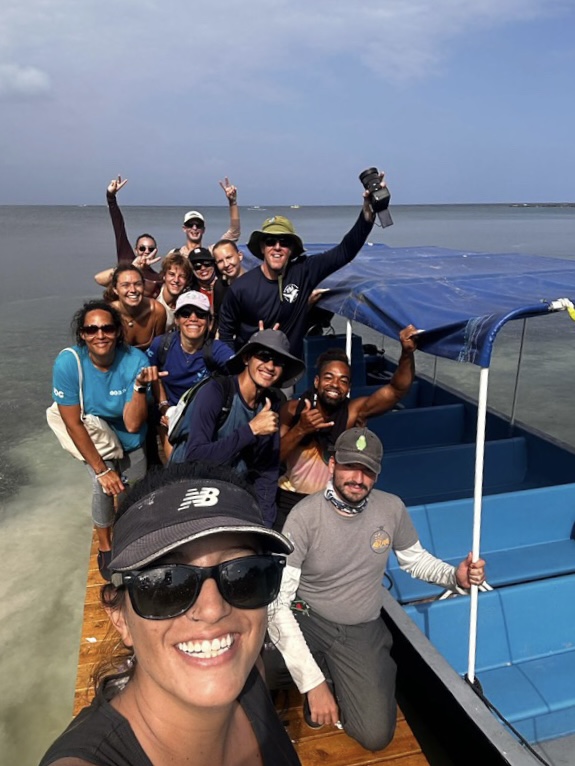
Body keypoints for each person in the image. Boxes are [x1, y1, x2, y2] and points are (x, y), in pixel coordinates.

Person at [38, 461, 301, 766]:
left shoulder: (252, 675)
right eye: (165, 584)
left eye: (243, 574)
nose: (213, 609)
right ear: (120, 617)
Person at [267, 427, 486, 752]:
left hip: (360, 627)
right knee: (261, 668)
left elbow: (415, 561)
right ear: (332, 465)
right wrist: (312, 684)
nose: (358, 477)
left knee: (374, 735)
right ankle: (322, 674)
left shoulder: (391, 508)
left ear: (377, 474)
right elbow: (277, 604)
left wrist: (456, 577)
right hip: (307, 613)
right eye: (350, 466)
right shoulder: (303, 516)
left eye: (368, 470)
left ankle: (342, 670)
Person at [218, 171, 389, 357]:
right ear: (261, 247)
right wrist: (235, 370)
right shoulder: (241, 288)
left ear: (292, 248)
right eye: (270, 242)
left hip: (288, 371)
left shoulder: (304, 272)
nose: (277, 247)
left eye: (284, 242)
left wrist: (368, 212)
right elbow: (226, 334)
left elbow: (345, 251)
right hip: (249, 371)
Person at [51, 300, 162, 580]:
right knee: (102, 488)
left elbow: (133, 423)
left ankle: (132, 534)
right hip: (95, 435)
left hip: (130, 435)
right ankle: (106, 546)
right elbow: (72, 422)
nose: (100, 335)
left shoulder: (135, 361)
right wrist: (102, 470)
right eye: (91, 329)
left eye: (107, 328)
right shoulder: (69, 363)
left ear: (118, 332)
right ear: (83, 335)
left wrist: (139, 386)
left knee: (133, 490)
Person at [276, 326, 419, 527]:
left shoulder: (353, 413)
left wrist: (406, 353)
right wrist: (301, 429)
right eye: (328, 377)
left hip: (330, 503)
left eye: (343, 381)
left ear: (348, 388)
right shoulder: (293, 410)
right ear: (316, 382)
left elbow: (396, 391)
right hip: (288, 500)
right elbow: (272, 459)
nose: (335, 384)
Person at [183, 329, 305, 527]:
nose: (270, 366)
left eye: (278, 362)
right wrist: (251, 430)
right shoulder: (216, 392)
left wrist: (264, 524)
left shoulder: (272, 402)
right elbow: (195, 457)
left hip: (236, 492)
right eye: (264, 357)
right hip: (196, 492)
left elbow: (267, 470)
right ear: (247, 358)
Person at [146, 291, 234, 457]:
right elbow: (152, 375)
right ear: (177, 320)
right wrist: (164, 407)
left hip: (203, 415)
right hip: (169, 413)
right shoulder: (161, 345)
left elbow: (239, 370)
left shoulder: (216, 349)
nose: (193, 318)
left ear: (209, 322)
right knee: (175, 466)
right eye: (186, 314)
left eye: (200, 314)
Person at [94, 176, 163, 298]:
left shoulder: (157, 278)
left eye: (150, 249)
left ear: (155, 252)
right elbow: (119, 226)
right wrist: (110, 197)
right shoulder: (126, 260)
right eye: (142, 248)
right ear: (136, 250)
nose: (146, 251)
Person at [175, 177, 240, 257]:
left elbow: (234, 233)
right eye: (190, 224)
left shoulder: (211, 253)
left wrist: (232, 202)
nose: (194, 228)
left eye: (198, 225)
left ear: (203, 230)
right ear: (184, 228)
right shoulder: (175, 254)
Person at [109, 264, 167, 350]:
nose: (133, 290)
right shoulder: (108, 313)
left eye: (138, 284)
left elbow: (159, 349)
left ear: (144, 286)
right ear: (115, 289)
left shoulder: (157, 311)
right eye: (125, 285)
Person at [187, 247, 227, 327]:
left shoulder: (226, 285)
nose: (203, 268)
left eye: (207, 264)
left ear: (214, 265)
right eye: (197, 266)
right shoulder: (190, 292)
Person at [155, 250, 192, 331]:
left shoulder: (187, 302)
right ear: (164, 276)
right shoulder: (153, 294)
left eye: (182, 276)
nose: (176, 280)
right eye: (172, 274)